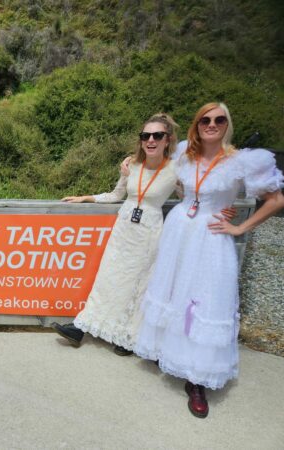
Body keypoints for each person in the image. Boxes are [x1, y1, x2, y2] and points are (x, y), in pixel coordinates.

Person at [133, 102, 284, 418]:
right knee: (174, 291)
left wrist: (239, 225)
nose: (211, 123)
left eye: (219, 119)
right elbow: (172, 177)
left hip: (212, 238)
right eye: (205, 119)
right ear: (197, 124)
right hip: (179, 232)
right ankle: (166, 351)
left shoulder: (242, 162)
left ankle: (197, 378)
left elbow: (275, 200)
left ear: (227, 124)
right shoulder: (185, 152)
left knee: (205, 299)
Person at [51, 114, 182, 355]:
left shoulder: (176, 169)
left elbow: (188, 197)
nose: (150, 140)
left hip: (149, 233)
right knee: (108, 277)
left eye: (157, 135)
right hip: (124, 229)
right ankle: (81, 326)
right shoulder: (131, 165)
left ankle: (127, 337)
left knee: (137, 285)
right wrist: (87, 197)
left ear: (168, 140)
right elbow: (116, 194)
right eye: (145, 136)